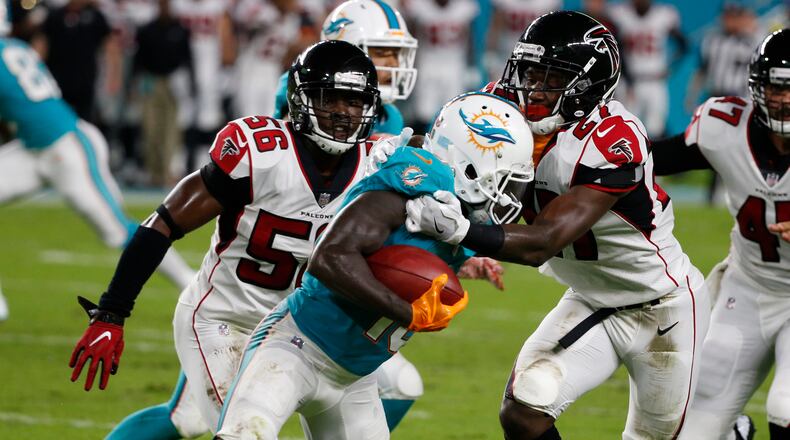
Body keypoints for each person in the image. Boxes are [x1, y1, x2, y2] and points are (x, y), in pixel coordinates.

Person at [404, 11, 710, 439]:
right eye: (528, 71)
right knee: (524, 411)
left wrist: (460, 231)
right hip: (590, 298)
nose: (531, 86)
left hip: (661, 305)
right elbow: (451, 166)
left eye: (550, 77)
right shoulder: (501, 111)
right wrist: (404, 157)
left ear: (588, 86)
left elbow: (543, 242)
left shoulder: (612, 139)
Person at [214, 90, 535, 439]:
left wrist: (463, 261)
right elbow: (329, 257)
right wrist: (406, 311)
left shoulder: (455, 210)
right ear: (468, 163)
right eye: (504, 180)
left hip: (355, 379)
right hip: (296, 347)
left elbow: (422, 252)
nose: (509, 195)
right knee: (243, 435)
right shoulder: (415, 184)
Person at [0, 13, 194, 322]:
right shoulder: (14, 48)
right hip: (34, 147)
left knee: (117, 228)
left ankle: (191, 283)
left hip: (67, 148)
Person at [650, 29, 790, 440]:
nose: (784, 99)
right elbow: (657, 156)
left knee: (785, 407)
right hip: (747, 289)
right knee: (690, 429)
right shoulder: (723, 127)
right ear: (756, 87)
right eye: (775, 87)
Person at [273, 0, 418, 138]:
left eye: (397, 53)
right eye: (380, 52)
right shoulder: (304, 91)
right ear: (344, 51)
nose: (393, 64)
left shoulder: (388, 116)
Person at [609, 0, 687, 138]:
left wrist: (671, 66)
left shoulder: (663, 15)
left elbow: (683, 45)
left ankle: (656, 159)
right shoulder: (620, 14)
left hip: (654, 80)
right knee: (625, 127)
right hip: (630, 81)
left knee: (656, 128)